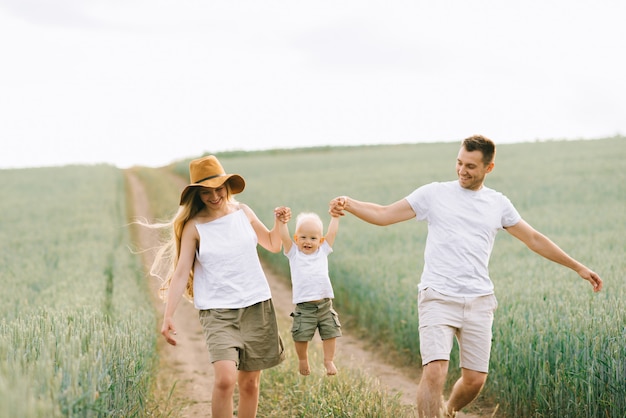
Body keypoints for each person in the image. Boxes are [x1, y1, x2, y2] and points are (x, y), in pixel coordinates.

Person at [328, 135, 603, 418]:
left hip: (479, 300)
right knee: (435, 371)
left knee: (475, 380)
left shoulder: (498, 204)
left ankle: (449, 410)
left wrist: (578, 267)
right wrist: (349, 203)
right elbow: (384, 214)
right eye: (459, 162)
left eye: (471, 166)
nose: (462, 170)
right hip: (437, 295)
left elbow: (533, 238)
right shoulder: (434, 194)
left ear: (489, 168)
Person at [149, 155, 289, 418]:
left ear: (227, 186)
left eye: (218, 189)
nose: (214, 196)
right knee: (225, 380)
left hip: (256, 305)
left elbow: (272, 243)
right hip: (218, 312)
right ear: (197, 195)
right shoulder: (194, 226)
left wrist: (280, 223)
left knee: (250, 383)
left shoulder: (243, 212)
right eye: (206, 192)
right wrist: (168, 316)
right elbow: (181, 273)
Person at [275, 209, 342, 376]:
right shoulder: (294, 253)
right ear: (296, 238)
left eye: (313, 238)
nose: (308, 241)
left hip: (325, 305)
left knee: (330, 333)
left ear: (320, 240)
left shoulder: (323, 251)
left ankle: (328, 360)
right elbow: (284, 237)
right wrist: (282, 222)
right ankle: (303, 360)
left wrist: (335, 217)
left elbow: (332, 232)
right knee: (300, 335)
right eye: (303, 237)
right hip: (304, 307)